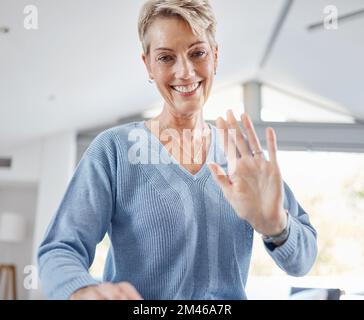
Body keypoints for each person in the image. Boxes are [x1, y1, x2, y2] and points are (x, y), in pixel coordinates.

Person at [38, 0, 317, 300]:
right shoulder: (114, 151)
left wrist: (276, 227)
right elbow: (60, 249)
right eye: (166, 58)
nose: (185, 72)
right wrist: (83, 291)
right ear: (147, 65)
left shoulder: (242, 156)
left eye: (197, 53)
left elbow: (303, 259)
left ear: (215, 56)